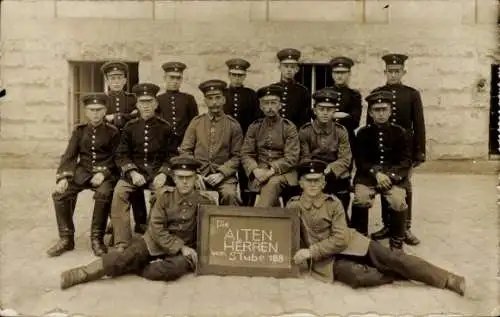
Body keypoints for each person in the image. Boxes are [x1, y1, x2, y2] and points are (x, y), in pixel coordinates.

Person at [287, 159, 465, 296]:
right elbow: (286, 235)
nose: (312, 185)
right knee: (358, 277)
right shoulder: (293, 207)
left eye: (317, 181)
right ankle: (398, 272)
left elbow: (341, 238)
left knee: (393, 257)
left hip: (352, 243)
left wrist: (311, 251)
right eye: (308, 181)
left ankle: (448, 279)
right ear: (300, 183)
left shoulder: (333, 204)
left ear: (323, 184)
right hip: (327, 260)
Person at [60, 156, 217, 290]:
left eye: (188, 178)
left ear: (195, 178)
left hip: (187, 248)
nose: (184, 182)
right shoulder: (164, 197)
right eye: (180, 178)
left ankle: (135, 267)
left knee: (172, 270)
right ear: (174, 178)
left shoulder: (204, 202)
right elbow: (156, 228)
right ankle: (82, 273)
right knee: (125, 256)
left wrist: (189, 250)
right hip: (155, 242)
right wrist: (179, 247)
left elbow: (212, 229)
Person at [47, 93, 120, 257]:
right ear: (86, 112)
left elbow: (117, 158)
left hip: (106, 174)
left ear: (105, 111)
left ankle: (97, 239)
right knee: (60, 195)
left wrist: (104, 173)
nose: (95, 113)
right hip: (83, 172)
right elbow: (69, 155)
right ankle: (66, 238)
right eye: (91, 110)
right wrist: (63, 177)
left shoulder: (113, 132)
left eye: (99, 110)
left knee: (103, 194)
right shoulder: (80, 131)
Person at [368, 53, 426, 246]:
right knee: (385, 185)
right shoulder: (377, 93)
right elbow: (370, 125)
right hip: (382, 149)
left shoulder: (411, 94)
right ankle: (387, 225)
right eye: (390, 71)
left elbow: (419, 124)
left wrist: (420, 151)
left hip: (404, 150)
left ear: (403, 72)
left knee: (404, 186)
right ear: (385, 72)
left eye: (397, 71)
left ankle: (405, 228)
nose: (393, 75)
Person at [111, 83, 175, 252]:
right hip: (135, 173)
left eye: (149, 101)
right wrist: (131, 172)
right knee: (119, 192)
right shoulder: (130, 127)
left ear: (155, 104)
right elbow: (121, 154)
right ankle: (122, 242)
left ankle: (152, 238)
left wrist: (163, 173)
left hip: (157, 174)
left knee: (161, 195)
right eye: (142, 102)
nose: (146, 105)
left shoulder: (165, 127)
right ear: (137, 105)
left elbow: (172, 155)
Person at [350, 90, 411, 250]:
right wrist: (376, 173)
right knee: (361, 198)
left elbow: (405, 161)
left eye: (384, 109)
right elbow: (361, 161)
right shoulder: (363, 134)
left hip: (394, 178)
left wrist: (389, 176)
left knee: (398, 200)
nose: (381, 113)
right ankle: (360, 240)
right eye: (377, 110)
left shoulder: (400, 132)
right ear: (370, 112)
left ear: (390, 111)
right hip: (368, 177)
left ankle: (397, 243)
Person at [100, 61, 148, 237]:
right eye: (112, 78)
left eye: (119, 77)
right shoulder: (102, 99)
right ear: (107, 80)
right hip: (109, 149)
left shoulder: (132, 99)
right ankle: (112, 222)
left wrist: (116, 117)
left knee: (135, 182)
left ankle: (141, 221)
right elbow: (99, 119)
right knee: (111, 185)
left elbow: (138, 115)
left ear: (125, 79)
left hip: (130, 148)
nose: (116, 81)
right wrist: (123, 117)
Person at [179, 79, 243, 206]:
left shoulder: (233, 125)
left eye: (218, 98)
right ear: (205, 101)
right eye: (210, 98)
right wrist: (195, 173)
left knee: (230, 195)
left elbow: (237, 156)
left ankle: (226, 225)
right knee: (188, 196)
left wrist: (222, 173)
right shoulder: (196, 122)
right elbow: (185, 150)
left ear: (224, 100)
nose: (214, 102)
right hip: (198, 174)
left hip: (224, 177)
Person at [241, 84, 300, 207]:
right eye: (266, 103)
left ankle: (260, 219)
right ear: (261, 106)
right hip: (259, 172)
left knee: (272, 183)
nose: (269, 107)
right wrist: (255, 170)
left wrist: (269, 172)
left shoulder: (289, 127)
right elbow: (246, 153)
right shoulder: (254, 127)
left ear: (280, 105)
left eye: (273, 103)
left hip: (284, 174)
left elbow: (292, 157)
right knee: (267, 186)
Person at [298, 87, 352, 219]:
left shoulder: (340, 131)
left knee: (341, 191)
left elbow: (345, 158)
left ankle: (341, 218)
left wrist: (331, 169)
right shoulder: (305, 131)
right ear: (315, 110)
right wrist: (318, 171)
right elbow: (304, 157)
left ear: (334, 111)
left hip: (334, 173)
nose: (325, 113)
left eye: (329, 109)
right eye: (321, 109)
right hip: (313, 171)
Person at [223, 58, 260, 205]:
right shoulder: (222, 94)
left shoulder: (251, 95)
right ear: (229, 75)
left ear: (244, 76)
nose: (236, 78)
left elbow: (256, 120)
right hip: (227, 143)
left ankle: (247, 207)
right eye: (233, 75)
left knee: (246, 177)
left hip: (246, 142)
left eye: (240, 75)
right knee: (227, 176)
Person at [156, 61, 199, 154]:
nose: (175, 81)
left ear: (181, 79)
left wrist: (187, 144)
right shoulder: (158, 99)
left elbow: (194, 123)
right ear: (165, 78)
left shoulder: (189, 99)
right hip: (164, 145)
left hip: (184, 145)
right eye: (171, 77)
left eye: (178, 78)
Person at [327, 56, 362, 158]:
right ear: (332, 74)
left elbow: (355, 121)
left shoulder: (354, 95)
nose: (340, 76)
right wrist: (344, 115)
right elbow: (316, 116)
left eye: (343, 73)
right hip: (326, 139)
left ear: (349, 74)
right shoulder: (325, 93)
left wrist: (331, 116)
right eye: (337, 73)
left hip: (347, 139)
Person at [271, 48, 312, 129]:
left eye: (292, 67)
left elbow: (305, 117)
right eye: (286, 66)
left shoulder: (302, 91)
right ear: (280, 68)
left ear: (297, 69)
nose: (289, 70)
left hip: (294, 133)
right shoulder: (272, 89)